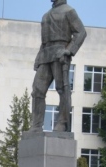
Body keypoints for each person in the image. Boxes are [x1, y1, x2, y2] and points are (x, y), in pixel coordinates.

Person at [31, 0, 87, 132]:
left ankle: (62, 123)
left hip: (60, 53)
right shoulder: (46, 15)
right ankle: (36, 125)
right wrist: (38, 58)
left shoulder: (69, 11)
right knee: (37, 90)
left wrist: (69, 50)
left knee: (62, 89)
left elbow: (81, 32)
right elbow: (44, 41)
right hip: (45, 55)